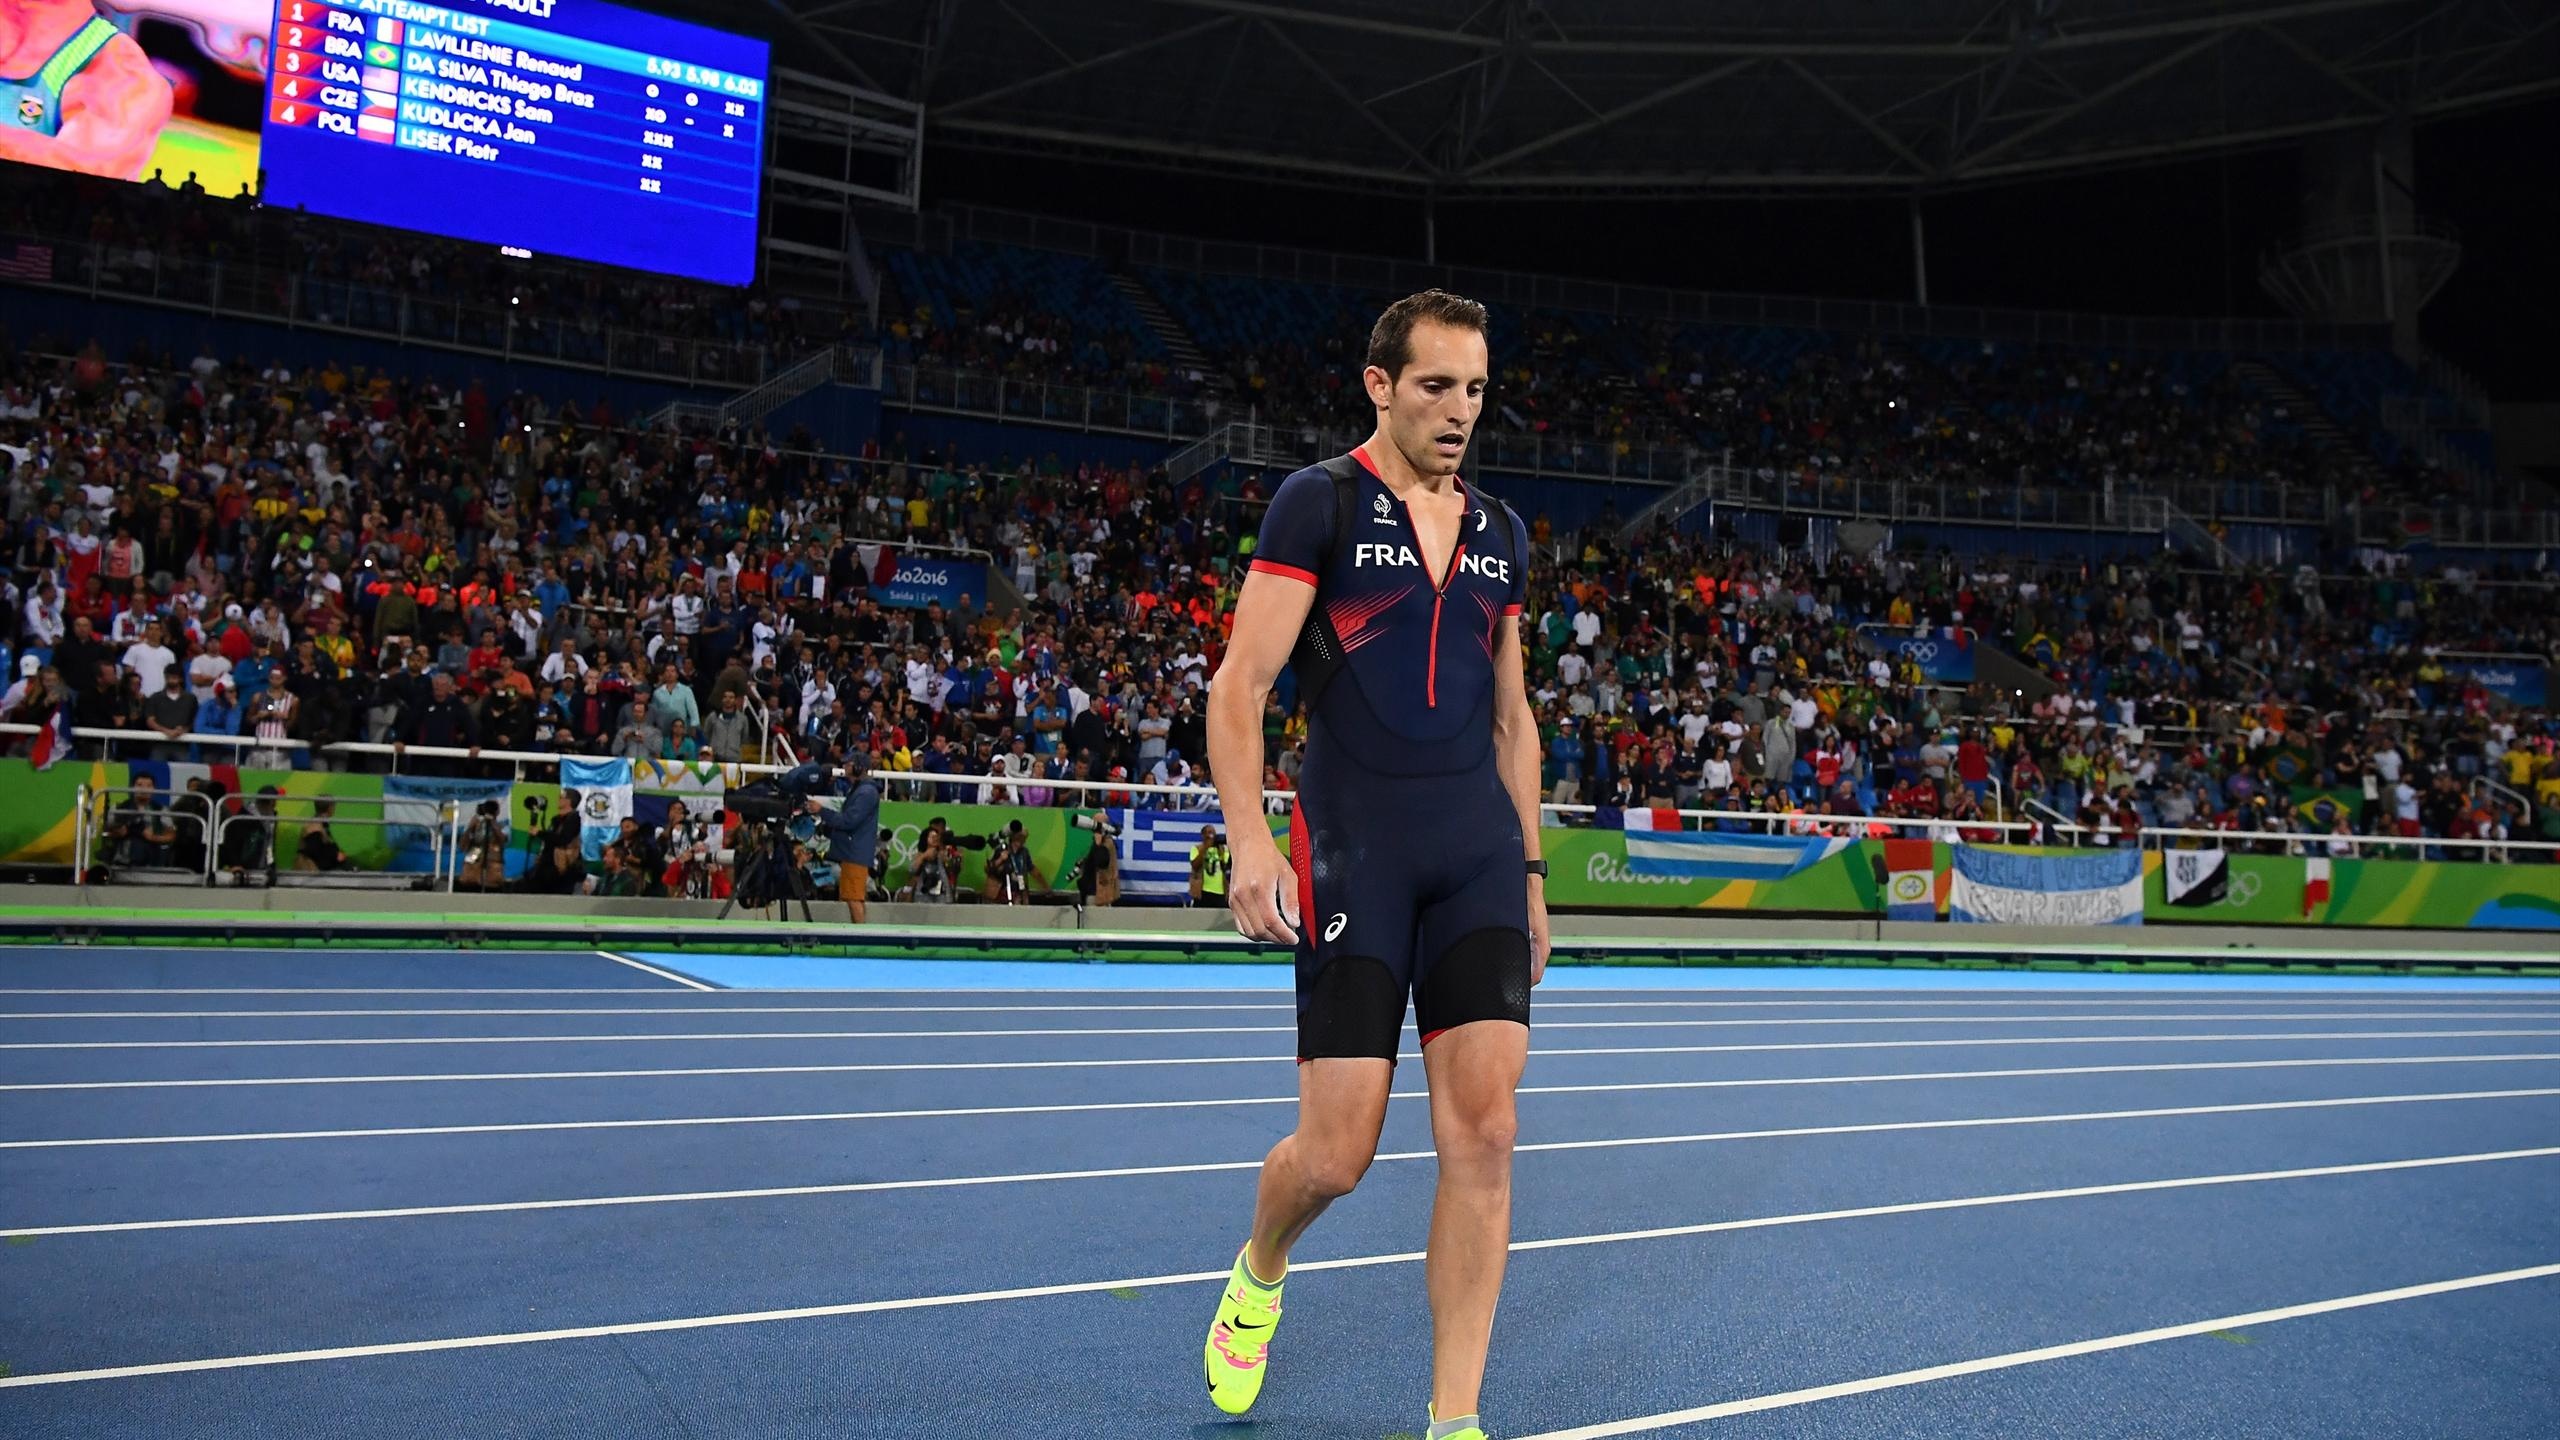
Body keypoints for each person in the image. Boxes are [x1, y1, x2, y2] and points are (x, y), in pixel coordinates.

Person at [1198, 290, 1545, 1440]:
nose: (1459, 411)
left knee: (1485, 1132)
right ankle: (1259, 1268)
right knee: (1338, 1156)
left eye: (1477, 389)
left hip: (1477, 852)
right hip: (1353, 849)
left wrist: (1534, 874)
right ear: (1380, 384)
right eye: (1437, 385)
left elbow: (1512, 721)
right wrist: (1251, 839)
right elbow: (1239, 687)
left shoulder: (1503, 531)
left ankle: (1454, 1422)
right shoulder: (1321, 503)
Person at [809, 754, 882, 920]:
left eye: (848, 764)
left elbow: (849, 821)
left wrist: (822, 810)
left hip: (854, 852)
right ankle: (859, 934)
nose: (845, 768)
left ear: (859, 767)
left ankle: (859, 938)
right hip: (853, 851)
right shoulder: (860, 789)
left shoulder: (866, 792)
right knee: (853, 897)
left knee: (854, 898)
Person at [1188, 824, 1230, 907]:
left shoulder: (1222, 850)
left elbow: (1226, 867)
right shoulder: (1196, 848)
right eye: (1207, 833)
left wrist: (1220, 852)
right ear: (1203, 836)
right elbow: (1195, 866)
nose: (1210, 836)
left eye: (1212, 833)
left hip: (1220, 892)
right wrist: (1205, 848)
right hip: (1202, 891)